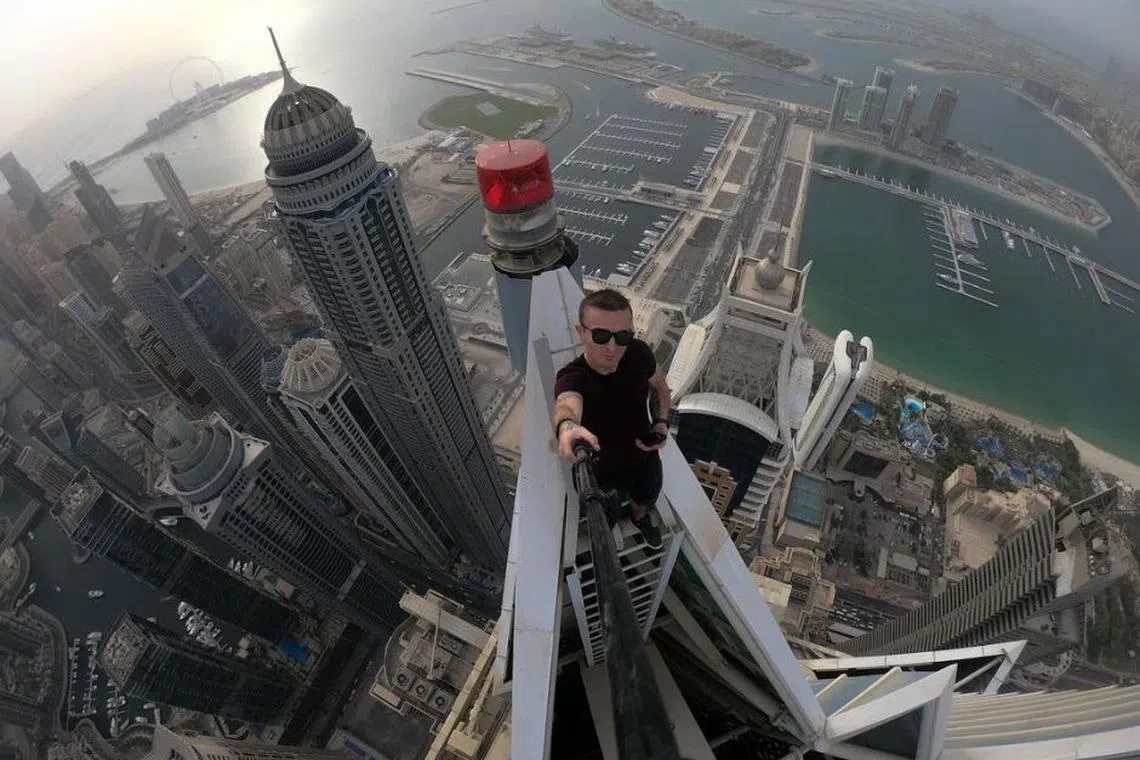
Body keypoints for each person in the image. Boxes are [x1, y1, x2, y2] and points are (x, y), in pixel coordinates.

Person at [552, 289, 671, 550]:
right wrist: (567, 428)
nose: (612, 347)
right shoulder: (573, 377)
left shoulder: (639, 353)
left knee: (645, 501)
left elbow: (660, 386)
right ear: (581, 332)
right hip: (596, 467)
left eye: (622, 336)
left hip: (642, 455)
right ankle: (611, 524)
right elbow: (567, 404)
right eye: (601, 335)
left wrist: (662, 423)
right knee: (604, 516)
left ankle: (640, 520)